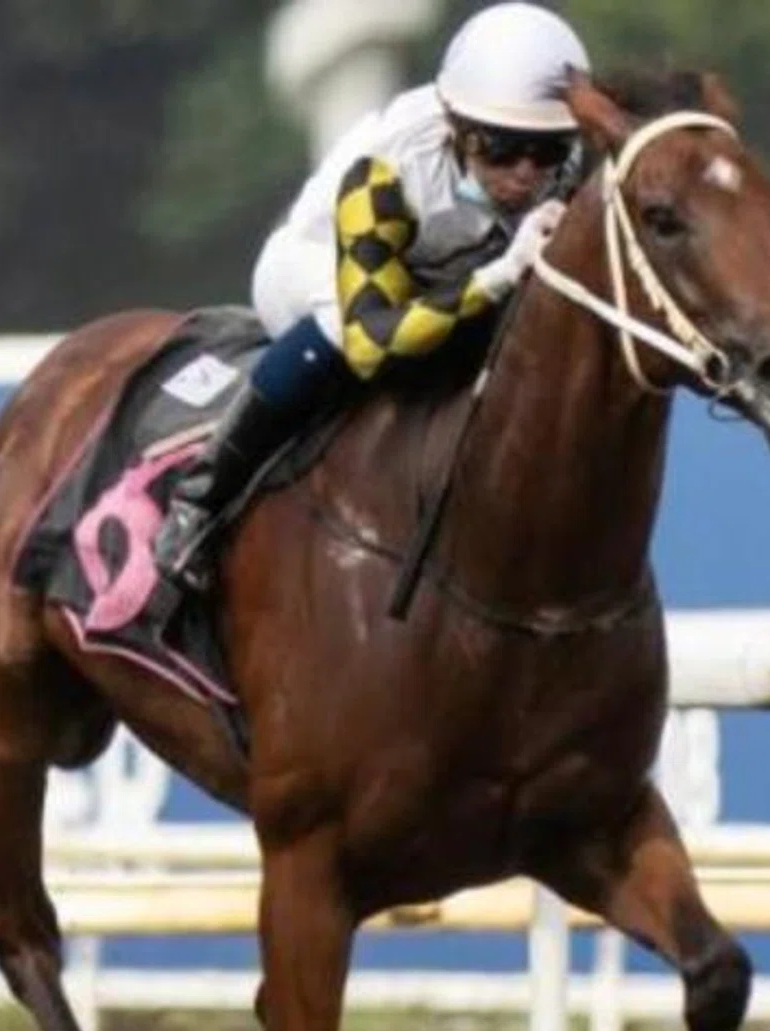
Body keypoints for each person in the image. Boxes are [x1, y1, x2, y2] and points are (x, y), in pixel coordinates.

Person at [152, 1, 590, 596]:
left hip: (439, 280)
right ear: (457, 129)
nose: (524, 174)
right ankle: (200, 500)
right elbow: (372, 340)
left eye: (545, 151)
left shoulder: (567, 168)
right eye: (501, 148)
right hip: (326, 275)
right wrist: (498, 277)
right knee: (339, 336)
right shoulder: (386, 170)